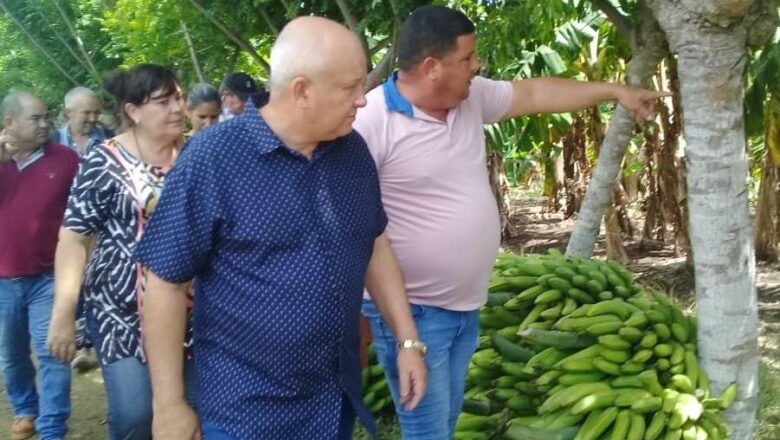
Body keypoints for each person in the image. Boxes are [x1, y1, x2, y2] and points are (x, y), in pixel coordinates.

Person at [354, 5, 670, 439]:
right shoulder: (371, 120)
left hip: (464, 308)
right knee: (427, 432)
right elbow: (359, 230)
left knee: (444, 424)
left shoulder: (470, 97)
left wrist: (616, 91)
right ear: (431, 67)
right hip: (414, 313)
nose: (476, 66)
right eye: (466, 59)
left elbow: (535, 94)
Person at [134, 17, 426, 440]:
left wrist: (407, 341)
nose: (362, 100)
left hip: (331, 400)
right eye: (349, 87)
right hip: (244, 410)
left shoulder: (352, 151)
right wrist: (169, 405)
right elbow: (163, 281)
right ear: (302, 90)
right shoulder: (213, 158)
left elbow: (374, 242)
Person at [46, 64, 199, 440]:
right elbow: (74, 238)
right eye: (163, 102)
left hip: (190, 309)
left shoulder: (196, 155)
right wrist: (64, 313)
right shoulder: (104, 161)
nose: (177, 108)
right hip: (119, 311)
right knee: (135, 414)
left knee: (190, 411)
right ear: (132, 111)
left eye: (179, 98)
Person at [0, 91, 78, 440]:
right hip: (3, 280)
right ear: (9, 123)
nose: (46, 124)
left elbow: (83, 217)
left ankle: (51, 427)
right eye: (36, 118)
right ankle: (26, 409)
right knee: (12, 353)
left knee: (53, 352)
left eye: (47, 116)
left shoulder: (66, 160)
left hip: (49, 276)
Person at [51, 86, 113, 155]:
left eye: (96, 112)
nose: (93, 119)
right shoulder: (53, 142)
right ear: (68, 112)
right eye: (87, 113)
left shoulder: (109, 137)